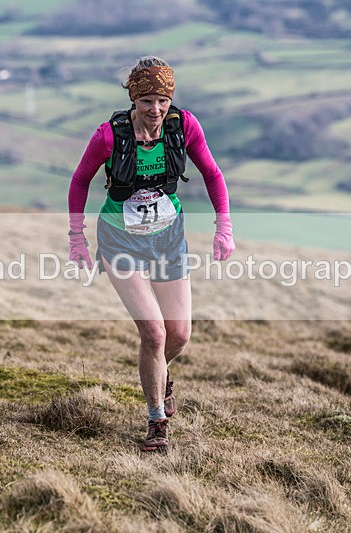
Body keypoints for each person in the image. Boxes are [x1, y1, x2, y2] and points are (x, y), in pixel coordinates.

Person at [67, 56, 235, 452]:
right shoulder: (109, 137)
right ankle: (157, 421)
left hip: (168, 239)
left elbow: (213, 174)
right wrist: (76, 239)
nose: (155, 109)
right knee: (154, 333)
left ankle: (160, 374)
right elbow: (80, 180)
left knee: (179, 334)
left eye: (162, 100)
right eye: (146, 101)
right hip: (120, 241)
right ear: (133, 99)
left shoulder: (184, 127)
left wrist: (223, 227)